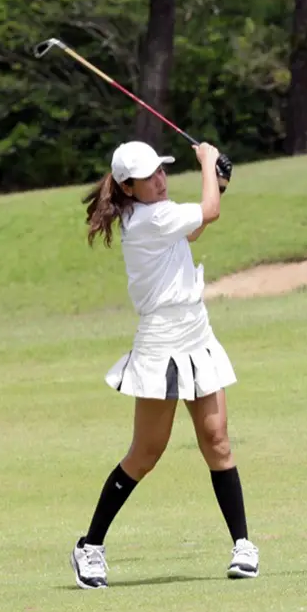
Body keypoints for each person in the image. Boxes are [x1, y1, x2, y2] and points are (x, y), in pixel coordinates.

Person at [69, 140, 258, 589]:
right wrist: (210, 164)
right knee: (146, 454)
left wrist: (220, 183)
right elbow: (207, 214)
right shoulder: (148, 219)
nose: (160, 179)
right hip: (160, 345)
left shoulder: (159, 213)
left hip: (197, 335)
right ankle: (89, 547)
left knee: (217, 441)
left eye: (161, 170)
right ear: (127, 187)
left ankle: (243, 544)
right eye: (149, 176)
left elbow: (193, 229)